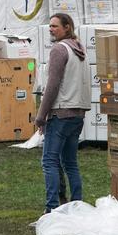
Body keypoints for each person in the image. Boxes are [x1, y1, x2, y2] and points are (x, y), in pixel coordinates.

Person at [34, 13, 90, 214]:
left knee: (49, 160)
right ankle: (76, 205)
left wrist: (41, 115)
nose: (51, 29)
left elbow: (53, 85)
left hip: (61, 112)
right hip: (78, 113)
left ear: (67, 27)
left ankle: (52, 208)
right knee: (70, 163)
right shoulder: (80, 48)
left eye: (55, 26)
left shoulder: (59, 49)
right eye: (49, 26)